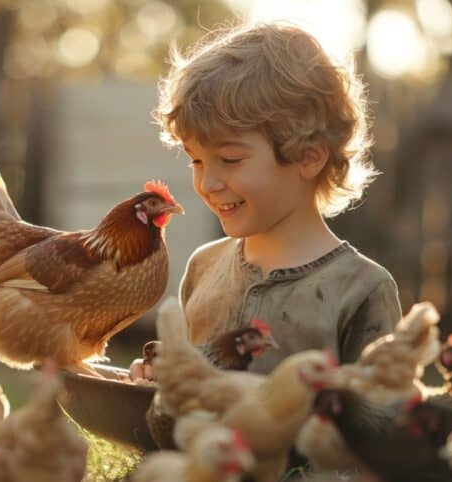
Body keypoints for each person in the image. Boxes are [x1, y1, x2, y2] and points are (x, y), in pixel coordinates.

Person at [149, 22, 402, 373]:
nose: (207, 182)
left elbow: (379, 417)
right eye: (196, 160)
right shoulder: (203, 268)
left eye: (231, 160)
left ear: (308, 156)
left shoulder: (361, 290)